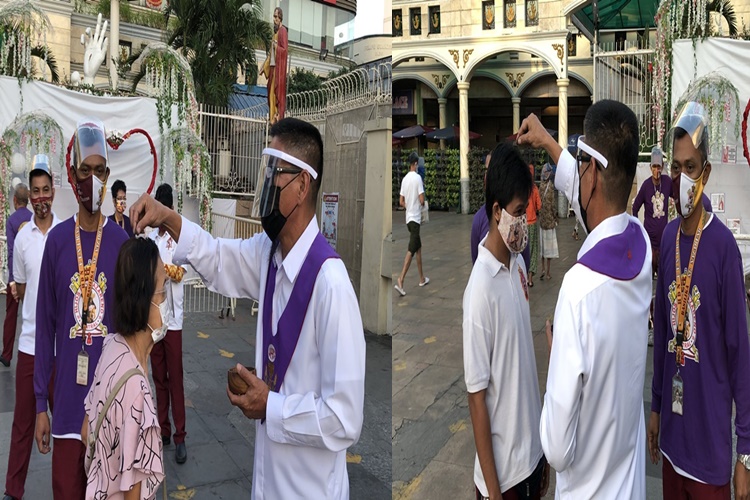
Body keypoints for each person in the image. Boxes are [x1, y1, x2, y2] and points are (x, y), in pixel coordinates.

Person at [129, 117, 366, 499]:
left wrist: (271, 406)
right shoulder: (268, 253)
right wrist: (169, 218)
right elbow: (219, 258)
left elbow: (344, 418)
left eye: (275, 173)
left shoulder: (331, 284)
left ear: (302, 185)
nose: (266, 185)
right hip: (267, 482)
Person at [517, 100, 651, 499]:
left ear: (592, 171)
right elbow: (594, 205)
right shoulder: (641, 248)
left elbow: (556, 450)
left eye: (581, 164)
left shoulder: (579, 289)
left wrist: (560, 359)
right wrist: (546, 141)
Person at [648, 101, 750, 500]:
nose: (681, 178)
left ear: (705, 173)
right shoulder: (668, 239)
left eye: (690, 168)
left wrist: (745, 452)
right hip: (673, 444)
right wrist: (655, 408)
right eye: (676, 167)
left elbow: (740, 356)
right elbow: (661, 341)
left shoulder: (724, 249)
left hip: (710, 454)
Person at [34, 118, 129, 499]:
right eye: (85, 171)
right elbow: (44, 327)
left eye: (100, 171)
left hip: (109, 407)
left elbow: (131, 332)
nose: (92, 180)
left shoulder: (122, 243)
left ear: (108, 175)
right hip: (68, 408)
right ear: (73, 177)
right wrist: (41, 403)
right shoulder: (57, 242)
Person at [463, 142, 549, 500]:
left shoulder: (517, 264)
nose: (524, 221)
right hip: (504, 478)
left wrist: (541, 455)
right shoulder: (480, 289)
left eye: (527, 209)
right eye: (518, 211)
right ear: (496, 211)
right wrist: (495, 492)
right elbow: (476, 398)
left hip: (530, 459)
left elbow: (522, 369)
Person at [83, 237, 167, 499]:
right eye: (164, 289)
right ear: (145, 299)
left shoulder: (112, 347)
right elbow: (133, 489)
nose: (167, 299)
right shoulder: (136, 390)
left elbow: (87, 431)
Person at [3, 155, 60, 500]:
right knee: (22, 425)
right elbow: (21, 289)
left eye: (45, 190)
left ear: (53, 191)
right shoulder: (23, 238)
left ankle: (75, 488)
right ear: (31, 194)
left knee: (68, 427)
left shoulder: (67, 232)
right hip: (28, 347)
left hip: (61, 349)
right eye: (35, 191)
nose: (40, 197)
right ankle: (13, 490)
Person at [148, 183, 188, 464]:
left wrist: (169, 271)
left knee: (176, 379)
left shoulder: (180, 238)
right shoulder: (151, 240)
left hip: (173, 321)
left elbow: (183, 270)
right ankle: (163, 429)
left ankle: (181, 436)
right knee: (158, 376)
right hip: (155, 320)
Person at [472, 151, 531, 270]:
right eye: (486, 171)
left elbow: (525, 258)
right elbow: (475, 259)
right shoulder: (479, 219)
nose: (487, 176)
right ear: (497, 212)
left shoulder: (518, 263)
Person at [1, 183, 32, 367]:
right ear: (27, 201)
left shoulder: (12, 220)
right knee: (33, 315)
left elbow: (12, 251)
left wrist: (12, 280)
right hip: (32, 277)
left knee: (11, 316)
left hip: (17, 277)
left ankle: (6, 355)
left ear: (14, 200)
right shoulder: (34, 218)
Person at [395, 151, 428, 296]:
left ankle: (421, 278)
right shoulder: (418, 179)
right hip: (416, 219)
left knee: (418, 248)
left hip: (408, 219)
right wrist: (420, 204)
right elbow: (421, 199)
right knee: (412, 249)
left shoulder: (404, 180)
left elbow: (401, 202)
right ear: (415, 164)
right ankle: (401, 279)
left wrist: (409, 206)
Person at [260, 7, 288, 124]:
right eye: (274, 16)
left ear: (280, 18)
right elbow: (270, 55)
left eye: (276, 17)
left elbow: (284, 50)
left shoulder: (283, 31)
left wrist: (277, 47)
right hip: (272, 69)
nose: (274, 19)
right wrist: (263, 67)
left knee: (276, 94)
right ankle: (272, 118)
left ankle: (276, 117)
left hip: (278, 70)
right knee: (270, 93)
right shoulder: (274, 34)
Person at [538, 163, 559, 280]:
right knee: (549, 249)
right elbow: (552, 205)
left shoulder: (540, 186)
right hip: (550, 222)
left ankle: (542, 268)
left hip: (542, 221)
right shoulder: (550, 186)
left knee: (542, 248)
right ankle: (548, 273)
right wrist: (555, 217)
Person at [526, 163, 542, 287]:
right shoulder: (534, 189)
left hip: (522, 224)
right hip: (532, 223)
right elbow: (539, 206)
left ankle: (523, 277)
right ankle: (530, 279)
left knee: (523, 250)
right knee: (533, 250)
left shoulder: (521, 188)